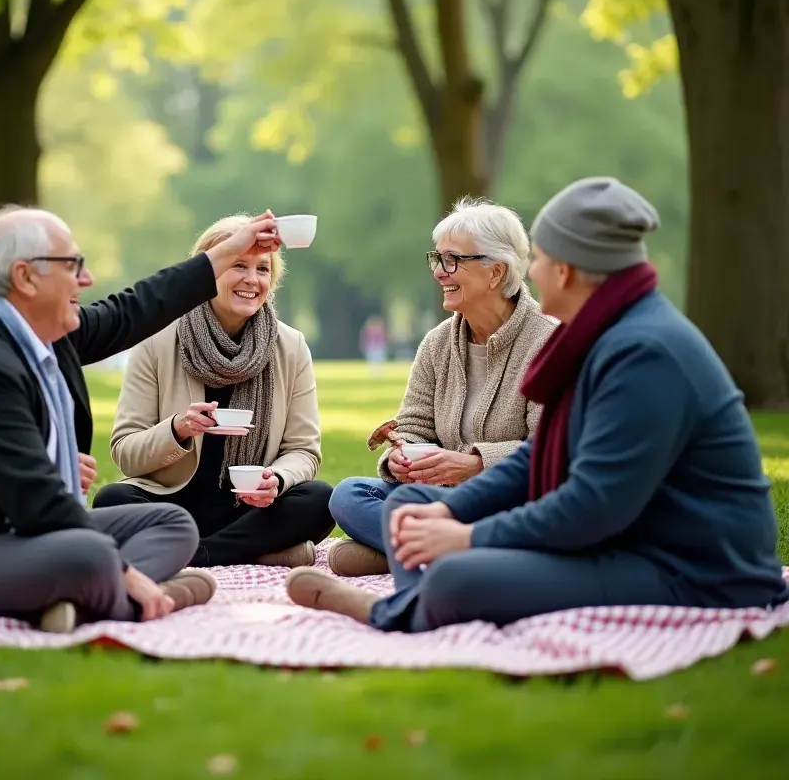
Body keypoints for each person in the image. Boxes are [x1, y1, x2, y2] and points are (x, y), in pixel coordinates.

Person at [286, 178, 788, 630]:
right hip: (632, 542)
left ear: (567, 271)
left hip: (694, 569)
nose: (533, 271)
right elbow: (542, 453)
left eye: (540, 258)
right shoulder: (614, 335)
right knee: (415, 515)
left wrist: (467, 538)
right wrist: (450, 513)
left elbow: (592, 506)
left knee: (457, 577)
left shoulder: (644, 353)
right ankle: (421, 587)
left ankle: (390, 609)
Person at [0, 207, 284, 631]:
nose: (87, 279)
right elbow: (37, 502)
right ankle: (131, 598)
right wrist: (122, 571)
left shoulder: (45, 334)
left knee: (171, 524)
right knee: (88, 554)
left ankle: (74, 602)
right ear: (26, 277)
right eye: (73, 266)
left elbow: (137, 307)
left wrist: (225, 255)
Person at [326, 198, 555, 577]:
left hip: (507, 501)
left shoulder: (547, 343)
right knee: (349, 495)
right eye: (437, 259)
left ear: (495, 272)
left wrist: (475, 465)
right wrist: (400, 460)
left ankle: (410, 552)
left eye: (452, 261)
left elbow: (550, 449)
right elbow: (413, 427)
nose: (439, 273)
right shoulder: (437, 344)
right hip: (439, 501)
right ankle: (455, 553)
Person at [94, 214, 334, 569]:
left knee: (321, 499)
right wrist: (176, 430)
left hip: (251, 509)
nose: (252, 280)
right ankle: (255, 552)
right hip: (172, 502)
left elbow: (303, 452)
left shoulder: (290, 346)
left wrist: (277, 479)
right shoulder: (157, 340)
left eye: (263, 269)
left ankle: (199, 554)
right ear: (207, 273)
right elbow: (126, 453)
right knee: (112, 499)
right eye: (239, 265)